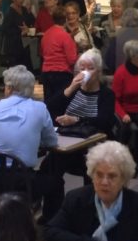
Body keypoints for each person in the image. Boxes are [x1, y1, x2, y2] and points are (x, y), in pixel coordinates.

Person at [41, 49, 115, 222]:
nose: (85, 72)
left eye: (90, 68)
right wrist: (70, 89)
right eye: (82, 68)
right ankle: (52, 215)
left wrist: (77, 119)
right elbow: (47, 109)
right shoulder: (72, 90)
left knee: (93, 171)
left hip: (93, 146)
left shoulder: (106, 94)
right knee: (49, 167)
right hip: (68, 144)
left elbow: (105, 121)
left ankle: (89, 216)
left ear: (99, 71)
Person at [0, 65, 58, 168]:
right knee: (52, 173)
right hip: (23, 175)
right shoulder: (40, 108)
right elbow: (51, 142)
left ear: (9, 88)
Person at [112, 40, 138, 177]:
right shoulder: (120, 73)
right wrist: (123, 114)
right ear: (134, 56)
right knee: (125, 130)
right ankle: (124, 164)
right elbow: (115, 99)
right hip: (124, 108)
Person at [40, 6, 78, 102]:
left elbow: (43, 52)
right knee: (62, 103)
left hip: (46, 73)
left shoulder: (46, 34)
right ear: (66, 19)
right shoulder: (65, 36)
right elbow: (72, 59)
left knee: (49, 102)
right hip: (62, 74)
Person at [0, 0, 35, 70]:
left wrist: (29, 12)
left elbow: (32, 22)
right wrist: (20, 32)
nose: (22, 0)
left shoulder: (24, 9)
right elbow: (5, 29)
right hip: (13, 47)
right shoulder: (10, 12)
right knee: (15, 71)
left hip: (24, 45)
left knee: (27, 69)